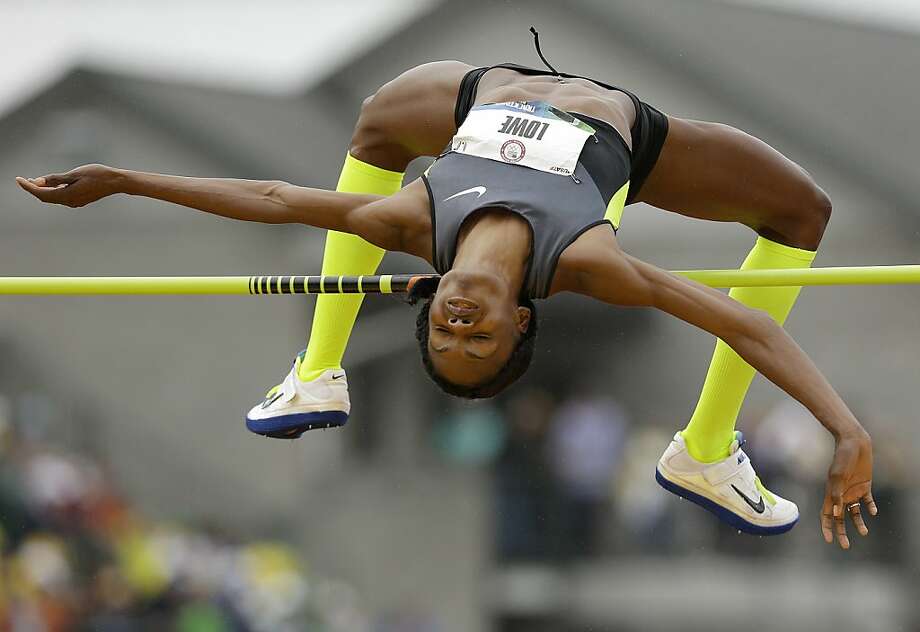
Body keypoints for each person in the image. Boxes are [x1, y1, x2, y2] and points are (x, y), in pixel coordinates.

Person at [15, 42, 876, 548]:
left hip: (481, 85)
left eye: (445, 338)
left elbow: (274, 198)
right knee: (804, 210)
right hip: (631, 131)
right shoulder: (587, 261)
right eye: (481, 343)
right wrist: (845, 426)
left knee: (382, 119)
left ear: (427, 305)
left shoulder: (411, 219)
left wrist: (122, 178)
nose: (460, 329)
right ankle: (707, 444)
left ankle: (317, 369)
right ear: (520, 318)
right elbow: (742, 321)